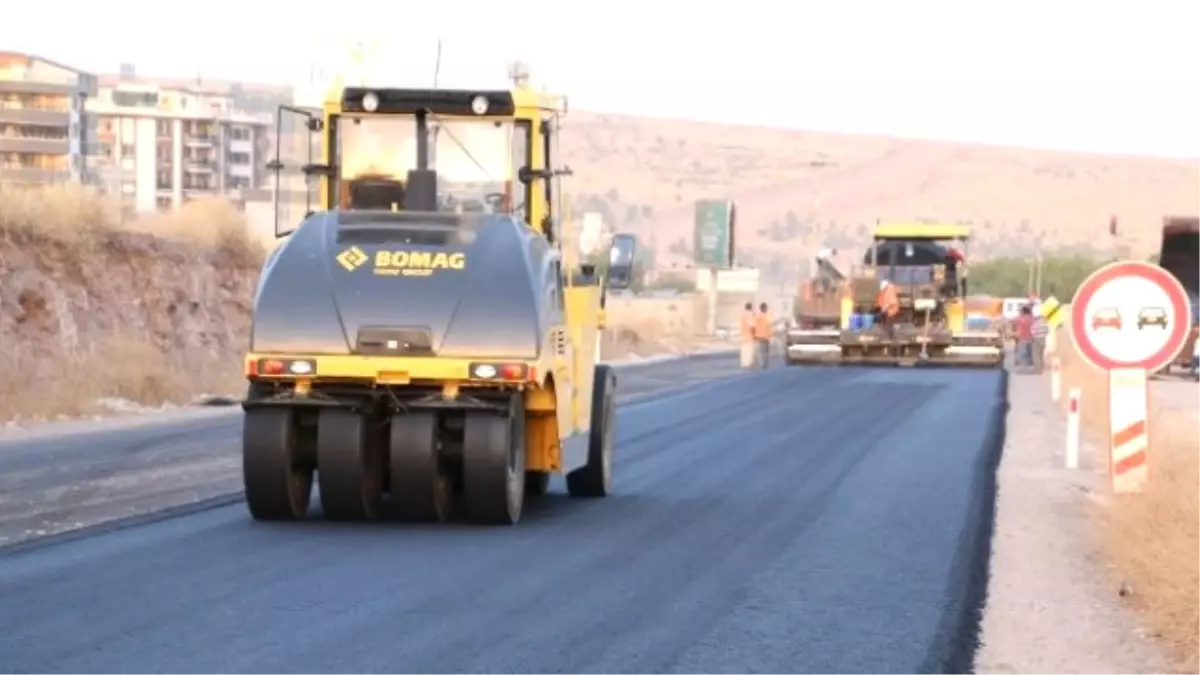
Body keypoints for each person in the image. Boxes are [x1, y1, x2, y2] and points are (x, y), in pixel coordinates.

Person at [1014, 305, 1035, 371]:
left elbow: (1012, 321)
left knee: (1022, 353)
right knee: (1030, 352)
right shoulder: (1032, 318)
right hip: (1032, 338)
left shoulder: (1020, 318)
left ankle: (1023, 367)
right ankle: (1031, 365)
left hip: (1022, 338)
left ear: (1023, 312)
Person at [753, 302, 773, 369]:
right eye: (766, 308)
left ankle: (761, 364)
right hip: (765, 337)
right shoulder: (766, 316)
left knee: (760, 352)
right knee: (765, 352)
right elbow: (769, 326)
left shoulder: (756, 317)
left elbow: (753, 326)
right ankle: (764, 364)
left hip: (758, 337)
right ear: (764, 308)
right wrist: (770, 336)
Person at [1031, 304, 1049, 373]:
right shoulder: (1044, 321)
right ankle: (1042, 368)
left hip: (1037, 339)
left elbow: (1033, 331)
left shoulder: (1036, 322)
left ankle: (1038, 370)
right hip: (1043, 339)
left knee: (1036, 355)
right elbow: (1047, 330)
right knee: (1041, 354)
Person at [739, 302, 756, 369]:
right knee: (749, 350)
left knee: (744, 350)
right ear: (750, 307)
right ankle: (748, 363)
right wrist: (754, 334)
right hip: (749, 336)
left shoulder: (742, 315)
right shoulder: (750, 315)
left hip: (743, 335)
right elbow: (752, 325)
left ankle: (743, 363)